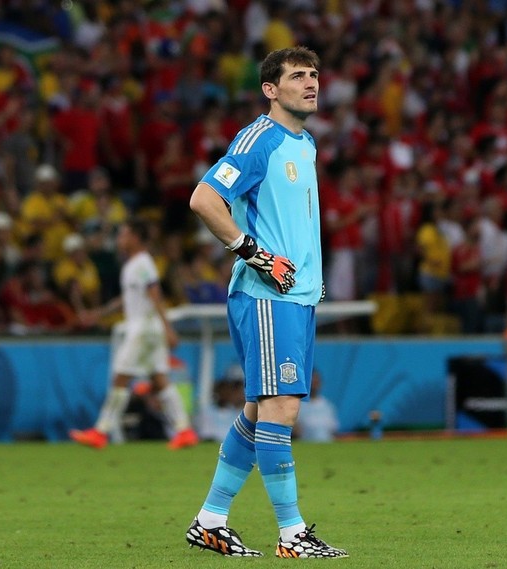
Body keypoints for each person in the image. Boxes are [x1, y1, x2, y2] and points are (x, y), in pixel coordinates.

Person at [185, 46, 347, 559]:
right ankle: (292, 533)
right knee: (282, 408)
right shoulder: (261, 139)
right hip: (266, 297)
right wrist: (254, 254)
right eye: (298, 76)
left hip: (296, 299)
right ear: (270, 90)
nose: (311, 83)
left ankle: (210, 521)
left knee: (260, 411)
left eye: (315, 74)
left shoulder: (305, 145)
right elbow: (204, 199)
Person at [68, 217, 198, 450]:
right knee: (160, 380)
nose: (120, 239)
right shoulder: (133, 265)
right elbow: (126, 299)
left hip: (144, 329)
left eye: (124, 234)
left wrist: (168, 328)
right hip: (148, 329)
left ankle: (101, 431)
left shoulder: (143, 263)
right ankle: (184, 430)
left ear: (136, 237)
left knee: (120, 377)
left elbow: (155, 293)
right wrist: (98, 313)